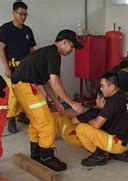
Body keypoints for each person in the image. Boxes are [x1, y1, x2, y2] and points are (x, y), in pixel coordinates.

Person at [11, 29, 85, 171]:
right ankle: (47, 157)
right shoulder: (54, 54)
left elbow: (46, 82)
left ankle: (36, 153)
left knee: (36, 121)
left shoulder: (47, 52)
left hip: (21, 86)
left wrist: (57, 103)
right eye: (72, 46)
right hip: (26, 87)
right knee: (47, 123)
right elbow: (56, 82)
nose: (72, 50)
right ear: (65, 42)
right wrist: (72, 103)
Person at [75, 72, 128, 166]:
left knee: (81, 128)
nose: (100, 89)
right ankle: (115, 153)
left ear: (112, 87)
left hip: (116, 143)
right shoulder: (124, 96)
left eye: (103, 86)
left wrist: (87, 119)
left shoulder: (112, 102)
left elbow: (96, 124)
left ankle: (99, 156)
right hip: (125, 141)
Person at [0, 1, 36, 133]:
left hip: (26, 67)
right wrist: (6, 67)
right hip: (12, 67)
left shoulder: (27, 30)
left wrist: (33, 66)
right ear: (13, 13)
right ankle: (11, 119)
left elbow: (32, 49)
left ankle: (22, 115)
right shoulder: (5, 29)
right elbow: (1, 49)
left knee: (27, 92)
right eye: (21, 14)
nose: (23, 17)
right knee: (13, 95)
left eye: (25, 14)